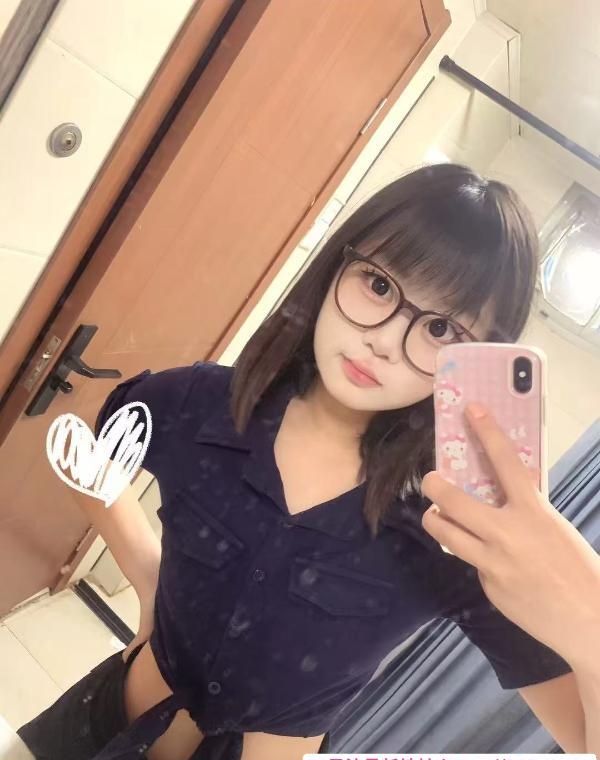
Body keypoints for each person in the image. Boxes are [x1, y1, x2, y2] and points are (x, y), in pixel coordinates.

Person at [17, 163, 578, 760]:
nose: (384, 341)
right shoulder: (204, 404)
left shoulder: (448, 530)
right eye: (379, 285)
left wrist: (581, 590)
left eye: (440, 327)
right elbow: (96, 444)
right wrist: (150, 574)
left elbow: (583, 736)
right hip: (90, 732)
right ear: (338, 263)